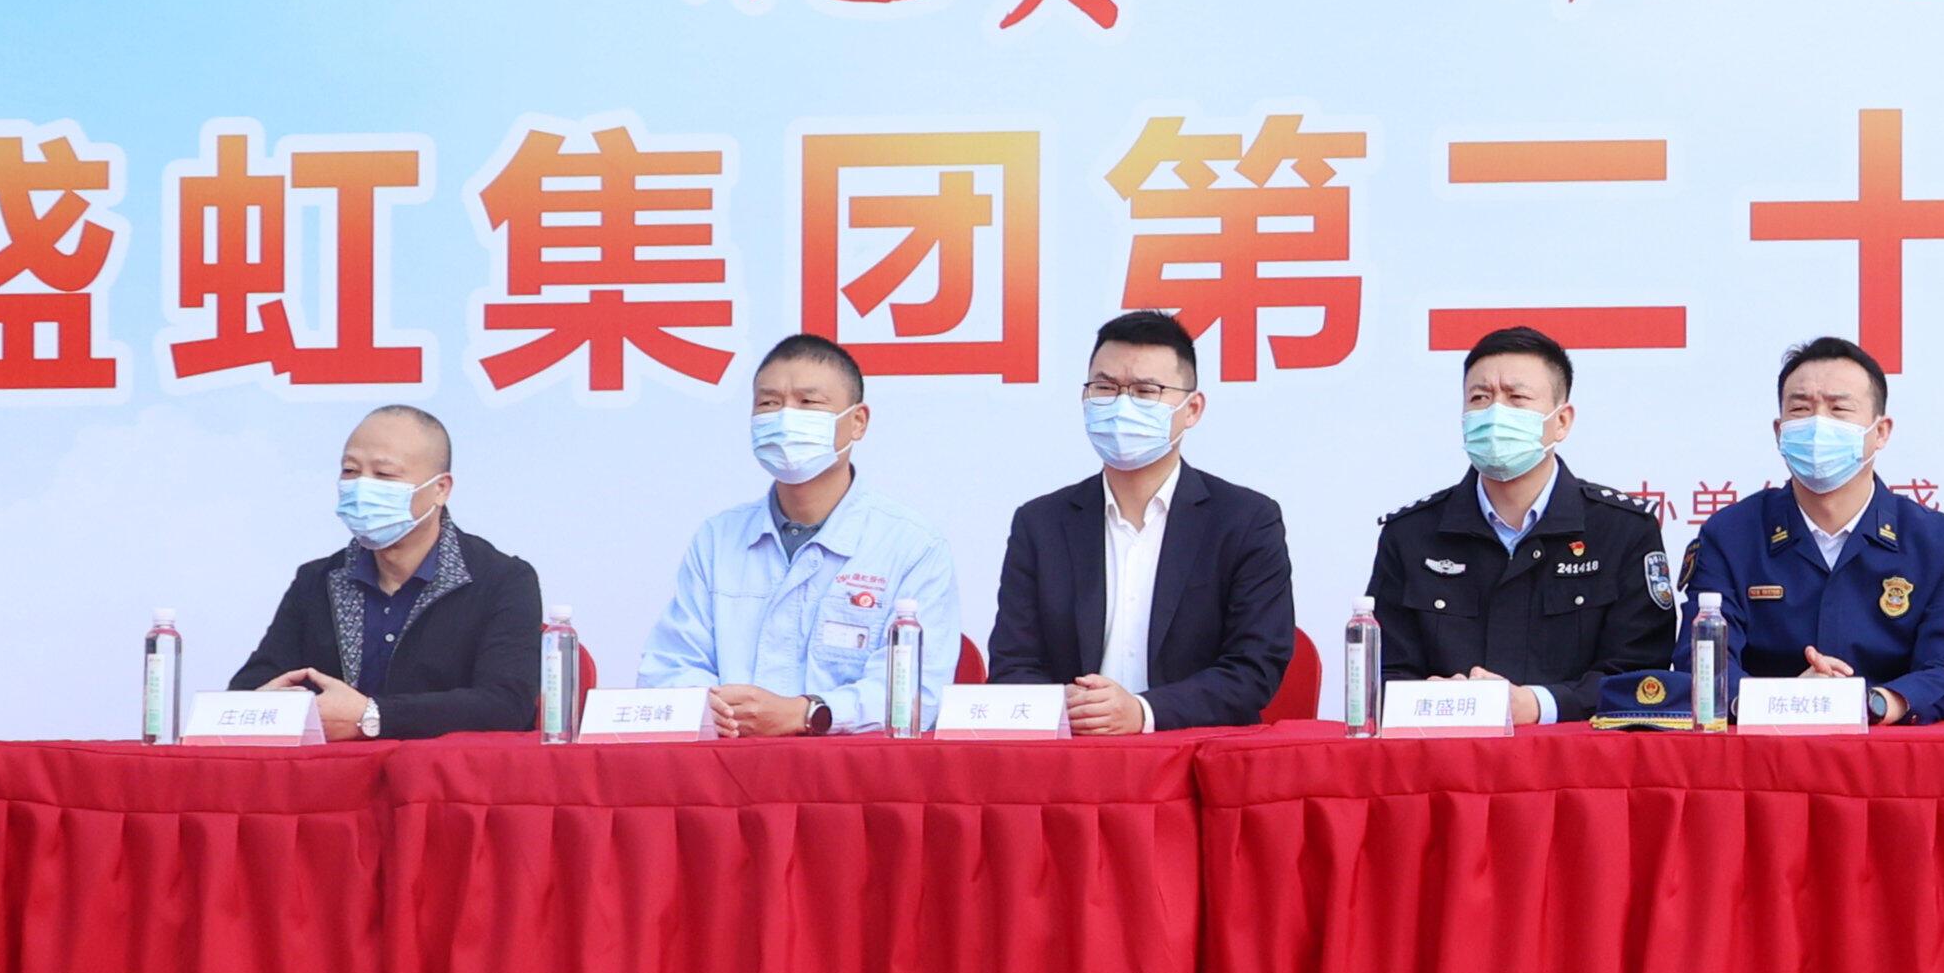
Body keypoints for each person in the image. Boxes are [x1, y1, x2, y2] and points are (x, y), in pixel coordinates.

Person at [637, 331, 960, 736]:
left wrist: (806, 714)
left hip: (848, 769)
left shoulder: (912, 545)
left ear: (857, 422)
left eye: (809, 403)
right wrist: (711, 707)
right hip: (729, 759)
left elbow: (915, 696)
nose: (785, 418)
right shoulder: (719, 537)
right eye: (769, 403)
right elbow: (668, 665)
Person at [986, 308, 1297, 728]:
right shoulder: (1040, 524)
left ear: (1192, 409)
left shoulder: (1245, 520)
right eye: (1104, 388)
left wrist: (1143, 712)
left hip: (1192, 752)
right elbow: (1012, 664)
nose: (1121, 405)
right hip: (1074, 750)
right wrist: (1069, 709)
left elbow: (1254, 667)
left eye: (1146, 391)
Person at [1668, 336, 1944, 721]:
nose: (1818, 425)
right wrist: (1785, 701)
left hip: (1885, 746)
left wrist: (1869, 704)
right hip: (1760, 747)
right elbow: (1702, 665)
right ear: (1779, 431)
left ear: (1881, 431)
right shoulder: (1730, 535)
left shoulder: (1939, 544)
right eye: (1801, 409)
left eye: (1839, 409)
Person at [1370, 323, 1676, 723]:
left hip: (1575, 754)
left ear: (1561, 421)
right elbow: (1382, 675)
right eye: (1480, 398)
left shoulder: (1623, 531)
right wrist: (1433, 699)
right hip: (1447, 750)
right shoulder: (1411, 535)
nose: (1495, 413)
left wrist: (1537, 705)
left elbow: (1641, 675)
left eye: (1517, 398)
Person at [223, 402, 551, 738]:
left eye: (384, 475)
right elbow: (250, 688)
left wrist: (372, 716)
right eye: (350, 471)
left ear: (440, 489)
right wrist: (274, 703)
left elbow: (507, 705)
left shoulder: (502, 579)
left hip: (439, 770)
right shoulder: (317, 580)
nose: (361, 487)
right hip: (333, 768)